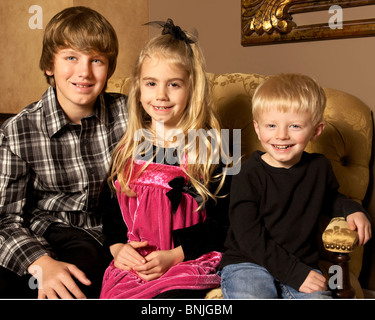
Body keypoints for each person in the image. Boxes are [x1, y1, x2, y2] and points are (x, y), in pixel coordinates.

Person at [0, 6, 128, 299]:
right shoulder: (17, 131)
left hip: (99, 238)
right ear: (49, 65)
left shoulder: (128, 114)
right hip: (39, 231)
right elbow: (5, 219)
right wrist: (41, 263)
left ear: (108, 68)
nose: (84, 71)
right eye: (71, 57)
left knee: (78, 280)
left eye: (96, 60)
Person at [99, 19, 231, 299]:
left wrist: (175, 255)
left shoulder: (214, 148)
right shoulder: (127, 146)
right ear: (138, 87)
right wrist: (117, 248)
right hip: (136, 266)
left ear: (191, 88)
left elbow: (225, 222)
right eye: (151, 83)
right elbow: (110, 213)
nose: (160, 95)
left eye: (173, 84)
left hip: (187, 262)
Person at [219, 73, 372, 299]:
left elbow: (332, 199)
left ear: (316, 130)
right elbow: (248, 236)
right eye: (271, 125)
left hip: (301, 263)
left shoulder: (319, 168)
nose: (281, 135)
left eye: (295, 126)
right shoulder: (246, 173)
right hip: (248, 264)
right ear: (257, 128)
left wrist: (353, 209)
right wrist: (294, 273)